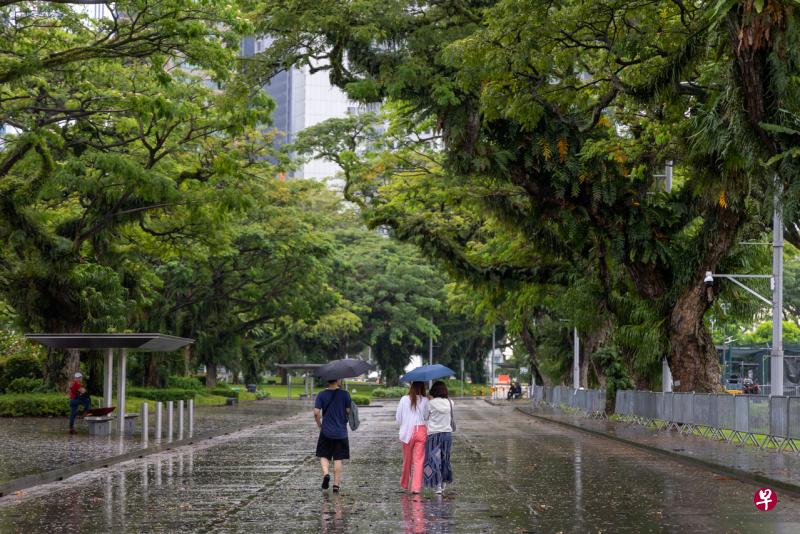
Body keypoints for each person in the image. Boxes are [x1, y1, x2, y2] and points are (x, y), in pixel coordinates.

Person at [314, 378, 352, 493]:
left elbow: (316, 412)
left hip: (326, 431)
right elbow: (349, 411)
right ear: (338, 380)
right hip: (341, 431)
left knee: (324, 455)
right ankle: (336, 485)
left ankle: (326, 474)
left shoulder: (321, 395)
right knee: (338, 458)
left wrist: (320, 425)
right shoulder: (345, 394)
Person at [396, 381, 428, 494]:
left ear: (412, 387)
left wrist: (402, 425)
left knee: (407, 460)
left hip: (407, 432)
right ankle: (416, 488)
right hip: (421, 431)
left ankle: (405, 483)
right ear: (423, 388)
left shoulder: (404, 399)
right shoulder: (425, 400)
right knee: (419, 461)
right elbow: (426, 416)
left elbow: (398, 417)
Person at [423, 381, 454, 494]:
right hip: (446, 435)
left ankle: (437, 485)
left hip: (433, 435)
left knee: (433, 460)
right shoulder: (450, 402)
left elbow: (425, 417)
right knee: (445, 458)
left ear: (433, 391)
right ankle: (444, 481)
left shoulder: (430, 403)